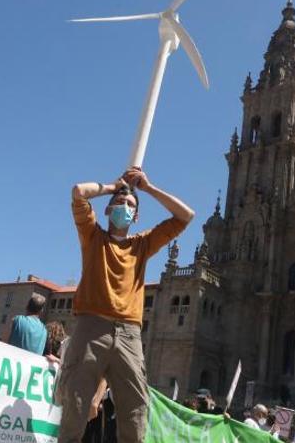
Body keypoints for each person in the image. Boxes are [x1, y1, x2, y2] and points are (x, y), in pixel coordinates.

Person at [57, 167, 193, 443]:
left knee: (135, 408)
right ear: (106, 210)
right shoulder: (93, 237)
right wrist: (113, 187)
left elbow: (185, 216)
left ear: (137, 216)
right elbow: (78, 193)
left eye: (130, 205)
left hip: (130, 334)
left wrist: (148, 188)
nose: (124, 206)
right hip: (90, 328)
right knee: (77, 405)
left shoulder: (142, 244)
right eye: (119, 203)